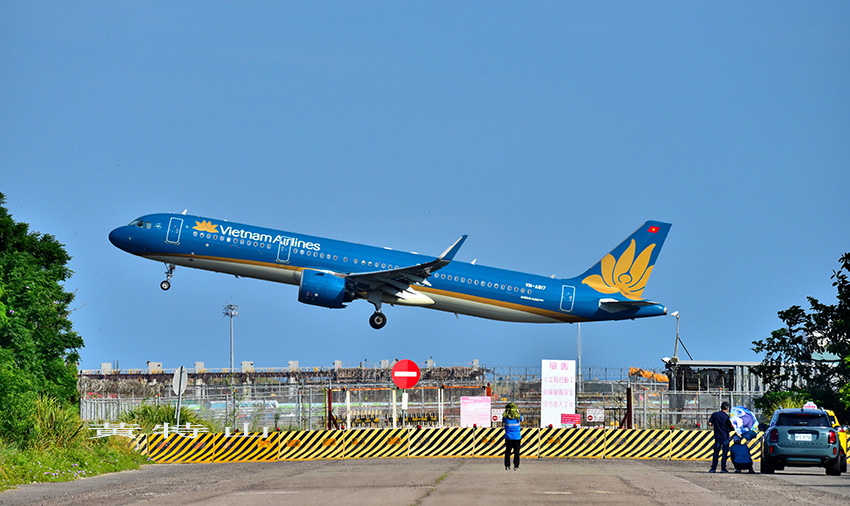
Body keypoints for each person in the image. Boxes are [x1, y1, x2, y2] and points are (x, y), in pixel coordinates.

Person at [708, 401, 734, 473]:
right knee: (724, 453)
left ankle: (713, 468)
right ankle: (723, 469)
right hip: (725, 437)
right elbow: (730, 427)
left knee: (716, 453)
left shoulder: (714, 415)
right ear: (727, 408)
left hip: (717, 437)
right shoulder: (727, 418)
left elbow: (710, 423)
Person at [503, 403, 523, 471]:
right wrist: (518, 413)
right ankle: (516, 466)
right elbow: (522, 419)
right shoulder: (518, 417)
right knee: (516, 452)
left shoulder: (505, 418)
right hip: (517, 437)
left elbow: (503, 419)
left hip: (508, 437)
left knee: (507, 452)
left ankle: (507, 466)